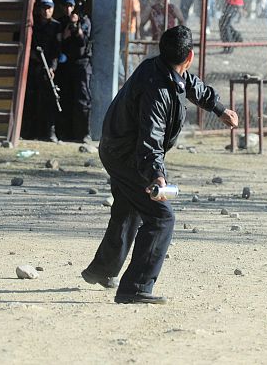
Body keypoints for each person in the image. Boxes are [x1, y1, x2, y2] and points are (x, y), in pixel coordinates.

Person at [81, 25, 239, 304]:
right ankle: (136, 288)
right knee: (161, 217)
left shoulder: (163, 69)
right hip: (126, 155)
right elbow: (150, 137)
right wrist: (156, 175)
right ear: (189, 56)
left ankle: (102, 270)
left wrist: (219, 109)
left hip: (117, 148)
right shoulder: (158, 90)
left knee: (129, 208)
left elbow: (192, 86)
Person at [23, 0, 62, 141]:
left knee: (50, 100)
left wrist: (52, 67)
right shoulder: (33, 25)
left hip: (48, 67)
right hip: (34, 66)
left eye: (49, 8)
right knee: (32, 99)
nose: (46, 11)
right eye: (44, 8)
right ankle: (30, 132)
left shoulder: (56, 26)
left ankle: (50, 132)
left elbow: (57, 50)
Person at [56, 0, 92, 142]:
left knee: (82, 99)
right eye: (65, 6)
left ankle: (84, 134)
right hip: (66, 65)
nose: (68, 9)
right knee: (66, 98)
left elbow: (83, 41)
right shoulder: (60, 22)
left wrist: (76, 26)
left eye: (70, 6)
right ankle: (66, 133)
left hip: (82, 64)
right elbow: (59, 40)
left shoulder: (84, 20)